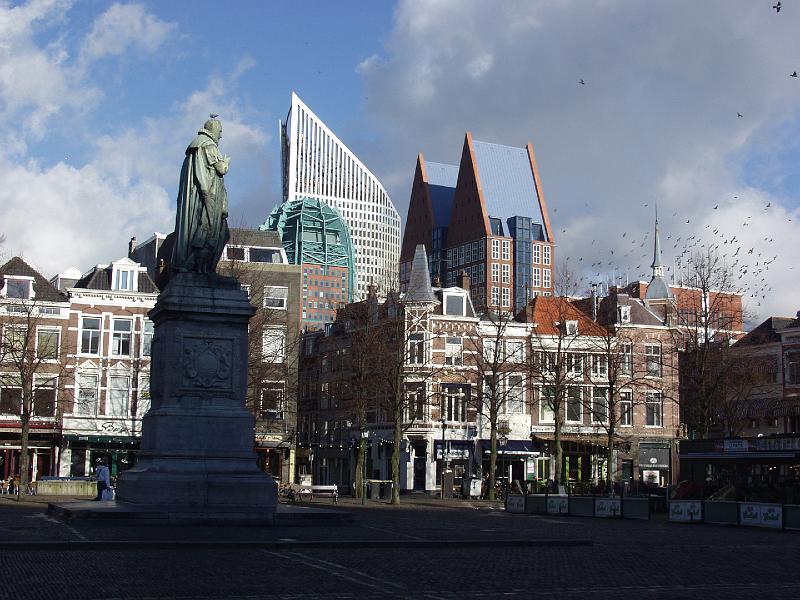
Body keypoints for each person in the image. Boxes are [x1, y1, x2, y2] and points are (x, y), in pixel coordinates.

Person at [171, 117, 231, 274]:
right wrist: (225, 163)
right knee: (212, 236)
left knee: (218, 235)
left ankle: (204, 268)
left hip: (205, 199)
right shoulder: (208, 146)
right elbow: (221, 169)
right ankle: (197, 267)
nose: (221, 136)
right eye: (220, 131)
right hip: (209, 199)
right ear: (213, 130)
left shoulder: (197, 146)